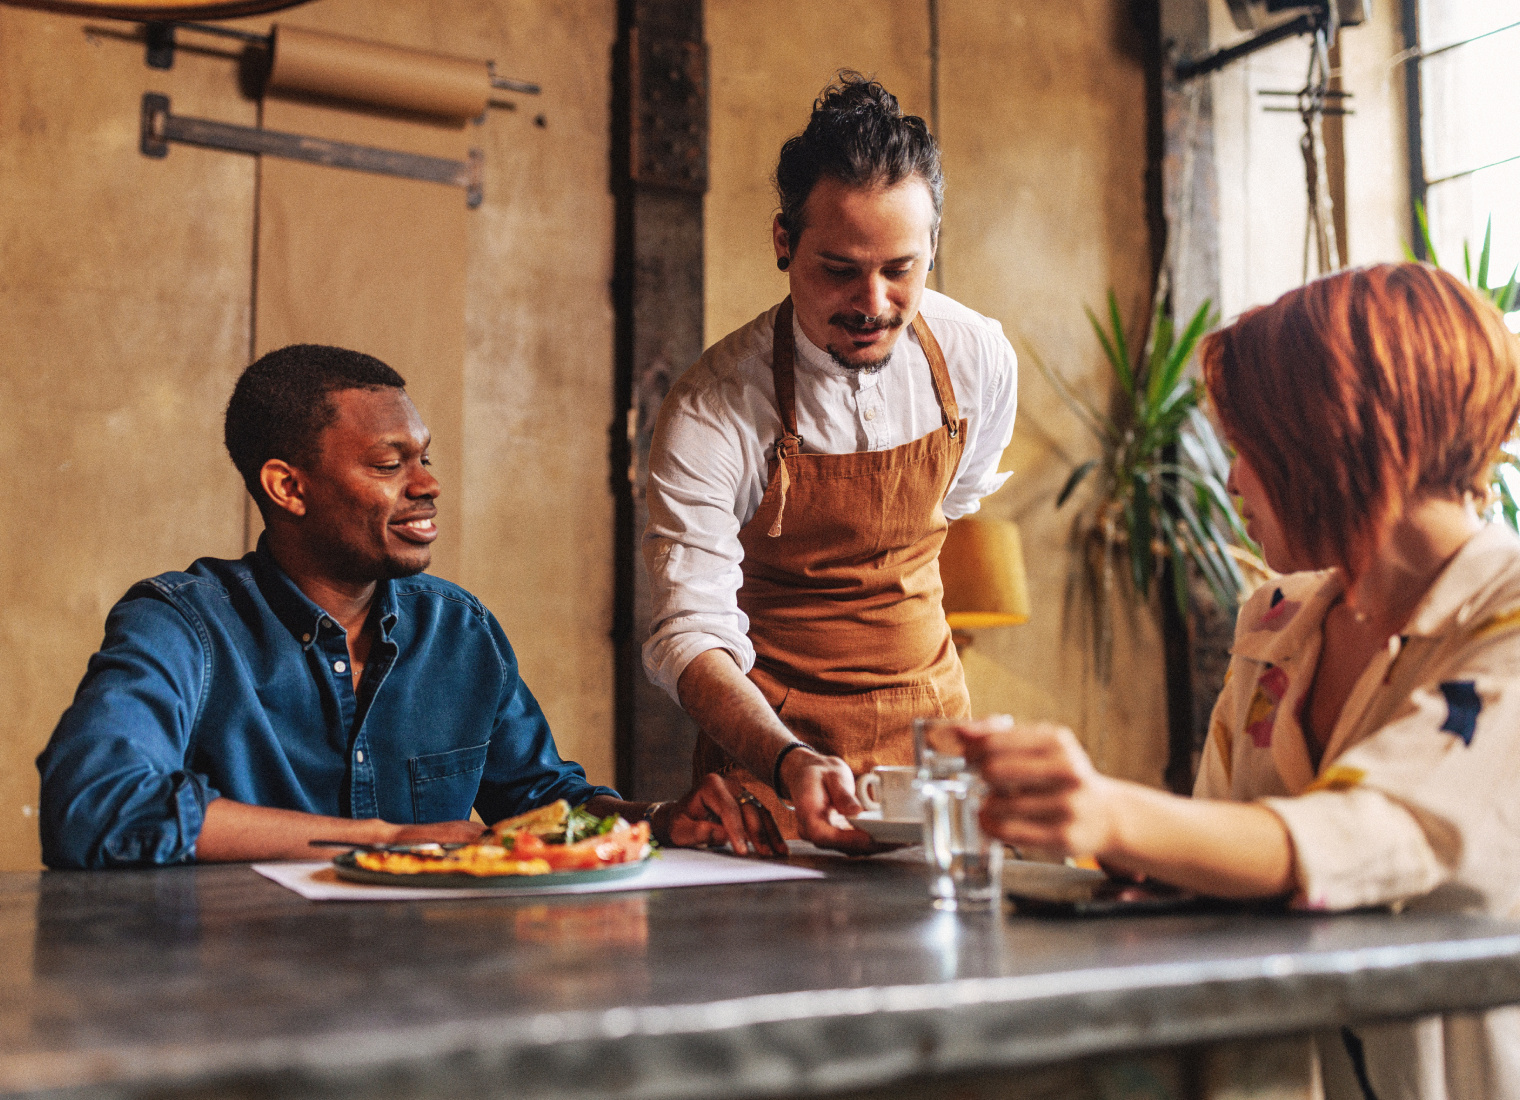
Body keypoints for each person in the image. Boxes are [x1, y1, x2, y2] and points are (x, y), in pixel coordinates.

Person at [967, 263, 1520, 1099]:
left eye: (1246, 448)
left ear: (1338, 437)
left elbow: (1379, 831)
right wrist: (1048, 814)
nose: (1229, 481)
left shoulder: (1506, 611)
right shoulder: (1274, 617)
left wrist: (1111, 809)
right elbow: (1222, 847)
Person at [38, 344, 784, 869]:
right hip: (236, 1001)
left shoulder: (458, 631)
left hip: (435, 995)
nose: (426, 485)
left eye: (425, 457)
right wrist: (384, 839)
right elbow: (94, 806)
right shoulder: (182, 625)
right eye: (391, 465)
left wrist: (657, 822)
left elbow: (547, 800)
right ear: (287, 487)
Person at [642, 72, 1017, 850]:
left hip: (930, 741)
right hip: (771, 757)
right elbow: (691, 635)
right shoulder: (713, 407)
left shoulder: (978, 357)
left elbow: (960, 498)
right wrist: (788, 760)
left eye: (899, 269)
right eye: (840, 269)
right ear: (785, 242)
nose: (873, 302)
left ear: (933, 246)